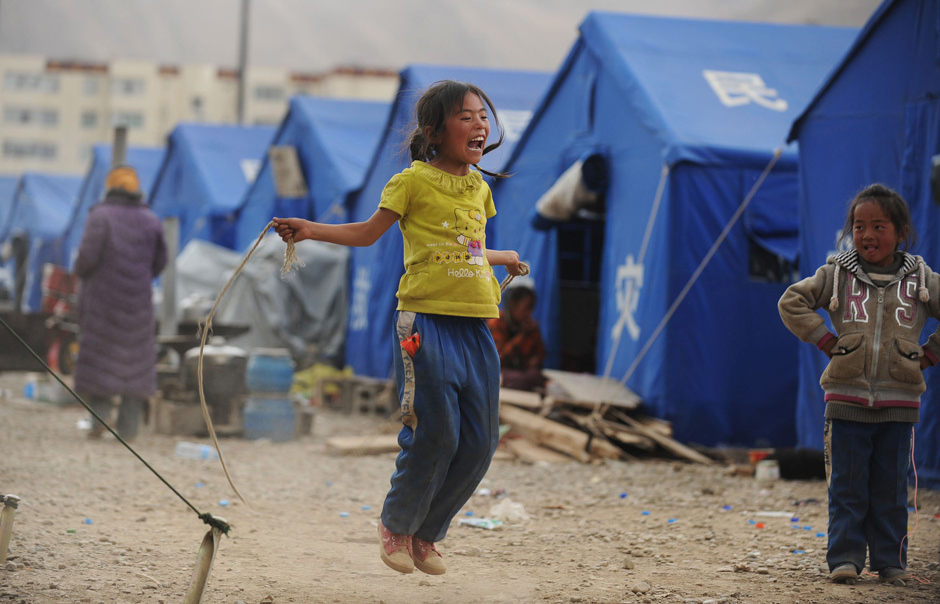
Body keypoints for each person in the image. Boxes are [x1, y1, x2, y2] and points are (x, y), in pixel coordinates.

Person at [273, 80, 525, 576]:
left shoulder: (479, 187)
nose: (480, 125)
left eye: (483, 116)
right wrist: (311, 228)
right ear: (434, 132)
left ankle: (428, 534)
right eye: (466, 117)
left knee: (480, 441)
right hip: (424, 323)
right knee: (436, 433)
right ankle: (397, 525)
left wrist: (503, 258)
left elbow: (468, 248)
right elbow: (367, 234)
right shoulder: (410, 182)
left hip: (475, 326)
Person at [778, 184, 940, 586]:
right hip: (845, 399)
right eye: (859, 226)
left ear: (901, 231)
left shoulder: (921, 280)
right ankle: (845, 560)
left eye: (879, 226)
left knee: (889, 489)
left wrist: (930, 353)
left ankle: (890, 562)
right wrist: (827, 340)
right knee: (848, 487)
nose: (867, 235)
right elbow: (791, 302)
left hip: (899, 403)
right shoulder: (836, 275)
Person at [74, 166, 168, 441]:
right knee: (135, 365)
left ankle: (99, 421)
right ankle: (129, 430)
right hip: (138, 304)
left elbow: (85, 261)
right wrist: (140, 276)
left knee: (100, 359)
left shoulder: (100, 216)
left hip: (103, 304)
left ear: (110, 187)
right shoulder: (151, 220)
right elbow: (161, 260)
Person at [487, 279, 546, 391]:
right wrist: (521, 336)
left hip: (521, 371)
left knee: (535, 376)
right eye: (526, 308)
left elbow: (540, 354)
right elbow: (498, 359)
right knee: (519, 380)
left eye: (531, 308)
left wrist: (534, 360)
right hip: (500, 371)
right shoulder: (496, 322)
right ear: (512, 304)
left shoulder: (529, 326)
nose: (529, 313)